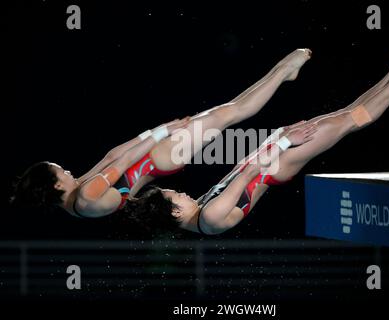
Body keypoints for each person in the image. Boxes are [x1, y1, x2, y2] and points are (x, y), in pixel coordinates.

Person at [127, 47, 389, 235]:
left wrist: (274, 140)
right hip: (274, 166)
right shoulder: (209, 217)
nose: (181, 192)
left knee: (344, 117)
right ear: (175, 212)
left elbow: (238, 173)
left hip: (267, 159)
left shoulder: (200, 216)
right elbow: (247, 176)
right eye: (176, 195)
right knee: (347, 121)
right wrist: (286, 142)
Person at [10, 49, 313, 218]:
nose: (66, 169)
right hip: (157, 155)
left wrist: (153, 136)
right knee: (233, 111)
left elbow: (111, 157)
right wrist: (159, 132)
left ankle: (282, 73)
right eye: (59, 170)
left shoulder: (78, 202)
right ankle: (285, 69)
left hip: (157, 163)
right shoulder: (86, 196)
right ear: (54, 184)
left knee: (230, 112)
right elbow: (121, 157)